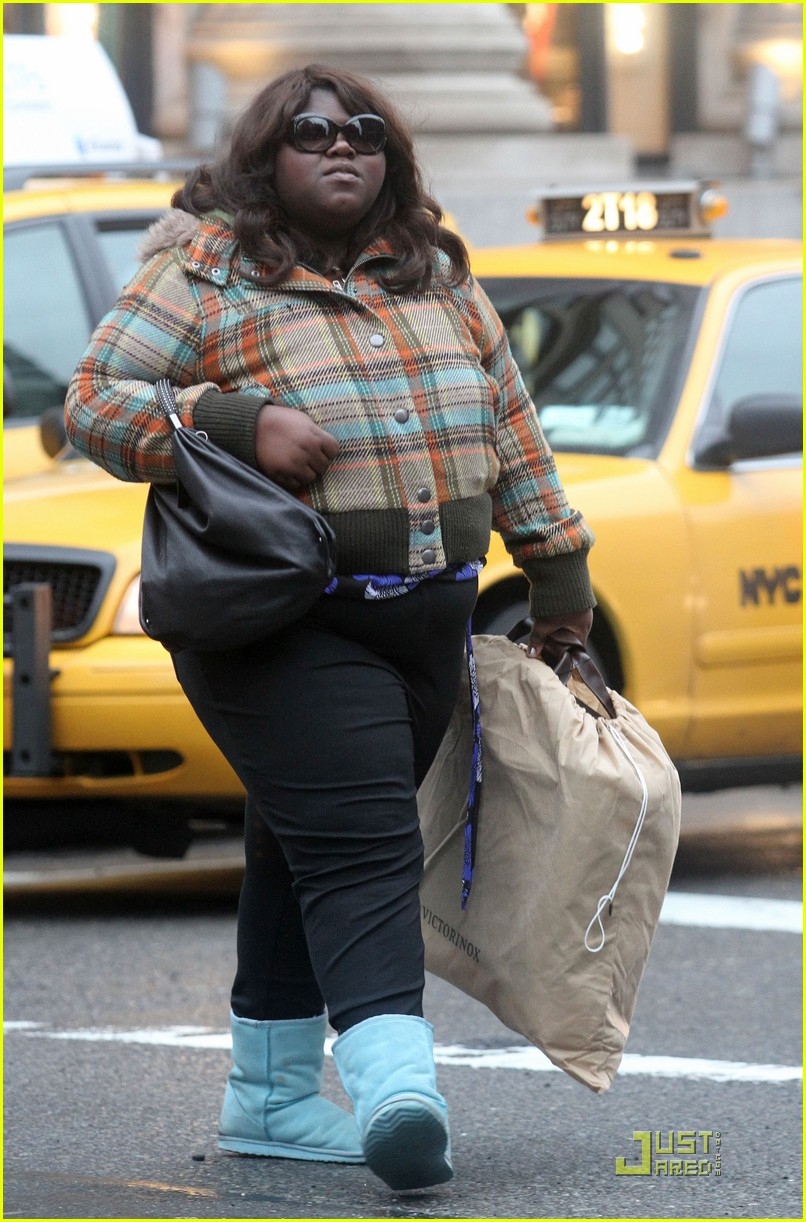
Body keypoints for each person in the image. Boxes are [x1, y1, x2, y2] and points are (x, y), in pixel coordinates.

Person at [65, 63, 595, 1192]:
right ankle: (400, 1085)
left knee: (298, 838)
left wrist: (557, 574)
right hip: (277, 622)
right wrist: (230, 418)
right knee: (359, 842)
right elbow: (96, 403)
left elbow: (511, 426)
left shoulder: (436, 274)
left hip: (427, 621)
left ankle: (267, 1098)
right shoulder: (202, 268)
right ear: (267, 159)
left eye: (363, 131)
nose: (340, 146)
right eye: (309, 133)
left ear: (392, 156)